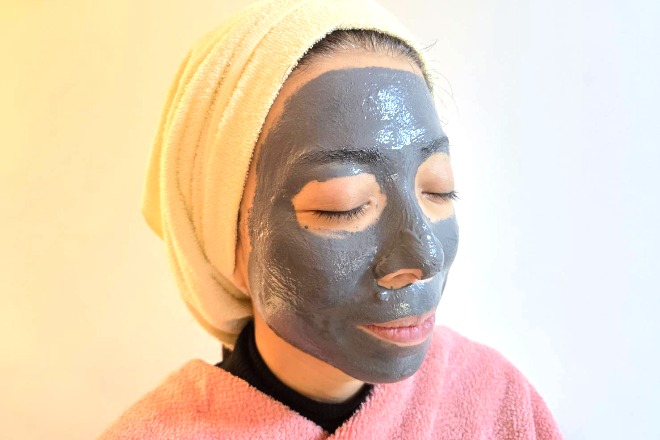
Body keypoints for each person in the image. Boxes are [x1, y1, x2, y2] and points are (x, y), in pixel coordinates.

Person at [101, 0, 563, 438]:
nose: (425, 257)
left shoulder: (496, 401)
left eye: (438, 189)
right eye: (344, 205)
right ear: (222, 239)